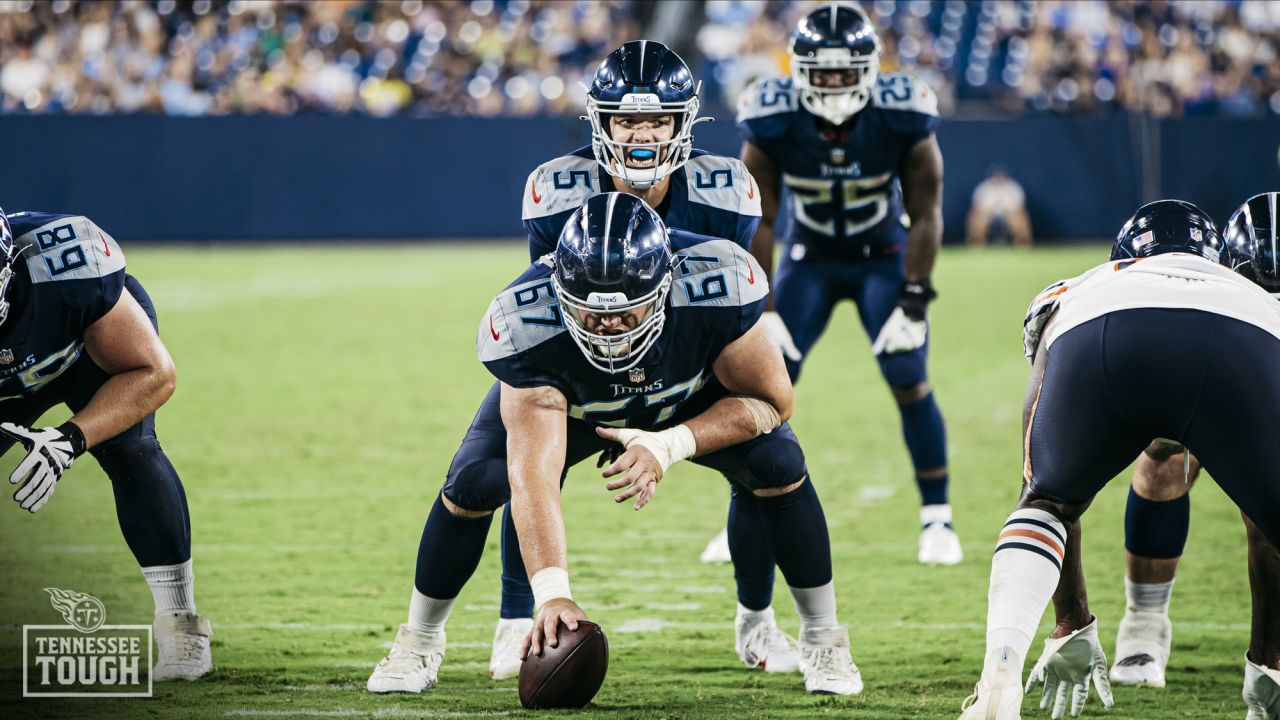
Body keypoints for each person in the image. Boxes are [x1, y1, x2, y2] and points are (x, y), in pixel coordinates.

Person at [366, 193, 863, 696]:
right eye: (589, 311)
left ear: (666, 285)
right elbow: (533, 477)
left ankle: (823, 639)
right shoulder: (526, 321)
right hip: (578, 408)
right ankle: (420, 640)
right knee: (475, 479)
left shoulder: (718, 281)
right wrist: (553, 596)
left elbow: (773, 401)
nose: (608, 326)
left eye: (629, 310)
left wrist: (667, 446)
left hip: (686, 397)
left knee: (777, 459)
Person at [958, 199, 1280, 719]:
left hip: (1100, 328)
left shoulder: (1080, 286)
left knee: (1044, 505)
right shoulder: (1254, 297)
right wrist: (1270, 661)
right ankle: (1269, 668)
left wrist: (1072, 621)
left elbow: (1048, 487)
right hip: (1238, 334)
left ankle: (1000, 671)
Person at [728, 2, 959, 566]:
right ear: (798, 69)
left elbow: (926, 212)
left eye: (843, 71)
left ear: (870, 67)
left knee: (908, 375)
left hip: (883, 255)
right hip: (808, 260)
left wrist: (914, 296)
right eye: (821, 71)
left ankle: (938, 519)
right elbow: (757, 216)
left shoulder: (902, 112)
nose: (832, 83)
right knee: (763, 387)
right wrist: (767, 308)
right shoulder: (772, 116)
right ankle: (743, 513)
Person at [0, 207, 212, 680]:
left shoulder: (66, 264)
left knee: (131, 451)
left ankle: (181, 627)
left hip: (86, 355)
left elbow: (154, 373)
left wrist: (68, 441)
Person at [966, 166, 1032, 247]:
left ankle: (1022, 245)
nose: (998, 179)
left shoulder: (1013, 188)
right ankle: (977, 245)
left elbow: (1019, 208)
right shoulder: (983, 188)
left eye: (1000, 177)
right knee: (977, 218)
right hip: (988, 214)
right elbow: (977, 208)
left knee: (1019, 218)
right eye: (996, 177)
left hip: (1009, 214)